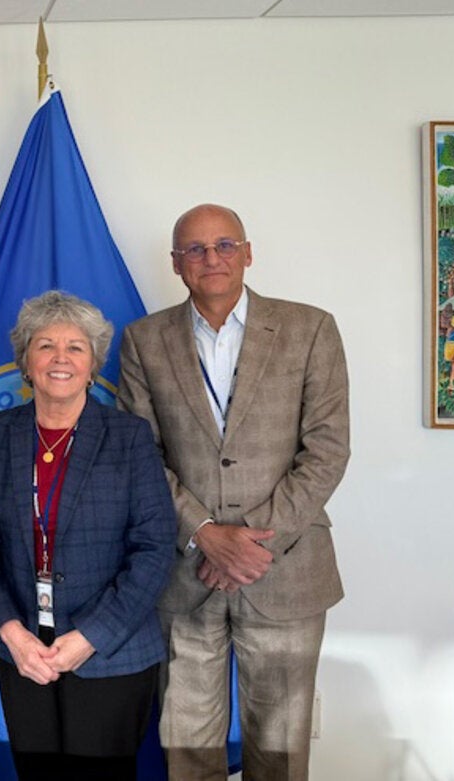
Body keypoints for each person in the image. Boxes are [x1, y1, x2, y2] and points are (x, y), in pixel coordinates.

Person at [117, 204, 349, 781]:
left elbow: (327, 450)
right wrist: (205, 534)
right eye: (194, 249)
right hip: (184, 572)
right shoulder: (143, 340)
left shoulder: (310, 328)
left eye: (224, 245)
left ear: (248, 252)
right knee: (187, 744)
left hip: (286, 569)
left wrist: (250, 545)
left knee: (281, 745)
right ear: (176, 264)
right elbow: (140, 456)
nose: (210, 258)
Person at [0, 291, 176, 781]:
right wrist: (11, 633)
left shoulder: (129, 436)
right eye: (46, 345)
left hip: (110, 654)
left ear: (94, 361)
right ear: (25, 360)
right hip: (25, 653)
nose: (61, 358)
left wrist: (90, 637)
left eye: (76, 347)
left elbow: (154, 547)